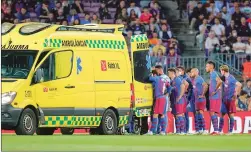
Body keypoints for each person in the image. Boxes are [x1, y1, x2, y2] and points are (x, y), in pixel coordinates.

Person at [147, 65, 171, 135]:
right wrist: (166, 93)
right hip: (164, 98)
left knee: (155, 115)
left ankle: (152, 130)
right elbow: (170, 87)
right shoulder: (164, 79)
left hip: (159, 98)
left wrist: (151, 73)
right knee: (163, 114)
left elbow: (149, 78)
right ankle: (163, 131)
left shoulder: (156, 78)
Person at [219, 65, 242, 135]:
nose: (220, 72)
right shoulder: (223, 78)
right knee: (222, 114)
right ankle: (219, 131)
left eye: (221, 71)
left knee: (231, 115)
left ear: (223, 71)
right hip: (224, 99)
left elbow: (239, 85)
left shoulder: (231, 78)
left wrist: (236, 94)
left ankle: (230, 131)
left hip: (230, 99)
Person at [205, 61, 222, 135]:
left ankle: (216, 130)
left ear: (211, 66)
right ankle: (216, 130)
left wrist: (215, 90)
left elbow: (220, 81)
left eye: (207, 66)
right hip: (213, 97)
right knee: (212, 112)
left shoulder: (214, 73)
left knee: (212, 112)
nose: (206, 68)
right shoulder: (212, 74)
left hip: (215, 97)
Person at [168, 68, 186, 135]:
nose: (168, 74)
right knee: (176, 116)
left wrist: (180, 96)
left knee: (179, 115)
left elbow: (183, 86)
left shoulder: (177, 79)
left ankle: (182, 131)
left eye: (169, 73)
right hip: (174, 101)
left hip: (179, 100)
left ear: (173, 73)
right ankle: (178, 131)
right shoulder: (172, 81)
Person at [190, 68, 208, 134]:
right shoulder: (194, 80)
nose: (191, 73)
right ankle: (200, 130)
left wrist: (202, 94)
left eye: (192, 72)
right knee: (197, 113)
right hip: (197, 99)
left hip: (201, 99)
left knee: (200, 112)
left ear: (196, 72)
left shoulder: (199, 78)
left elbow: (205, 85)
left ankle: (205, 129)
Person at [176, 66, 192, 134]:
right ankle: (182, 130)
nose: (179, 72)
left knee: (185, 114)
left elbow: (190, 88)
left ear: (182, 71)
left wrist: (185, 93)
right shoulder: (180, 78)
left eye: (179, 70)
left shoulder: (186, 78)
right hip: (184, 97)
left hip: (186, 97)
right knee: (182, 114)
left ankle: (186, 130)